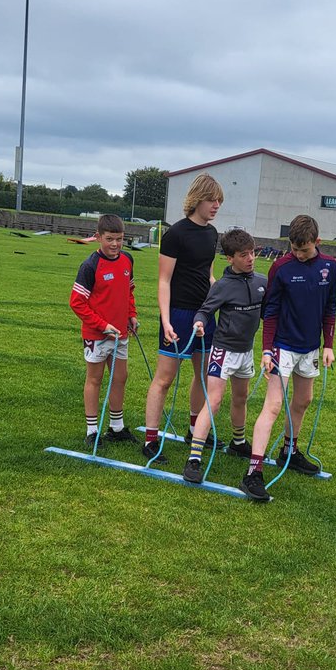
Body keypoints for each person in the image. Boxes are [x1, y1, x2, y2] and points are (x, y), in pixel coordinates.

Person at [240, 214, 336, 502]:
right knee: (273, 405)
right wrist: (267, 349)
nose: (298, 254)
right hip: (282, 346)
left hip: (310, 349)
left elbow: (330, 306)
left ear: (317, 243)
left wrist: (328, 345)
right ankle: (253, 472)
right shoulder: (280, 268)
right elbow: (269, 312)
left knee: (303, 400)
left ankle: (289, 451)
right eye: (294, 249)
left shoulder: (330, 267)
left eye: (304, 250)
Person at [142, 172, 223, 463]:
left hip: (205, 315)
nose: (216, 206)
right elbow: (164, 281)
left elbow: (209, 274)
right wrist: (166, 320)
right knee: (164, 379)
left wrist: (223, 297)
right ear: (198, 199)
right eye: (212, 200)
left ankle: (194, 429)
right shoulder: (175, 234)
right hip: (178, 313)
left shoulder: (213, 233)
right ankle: (151, 439)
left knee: (204, 376)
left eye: (219, 201)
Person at [182, 229, 267, 483]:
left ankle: (238, 442)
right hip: (223, 351)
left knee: (241, 397)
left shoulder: (262, 281)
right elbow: (205, 311)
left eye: (252, 252)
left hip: (246, 352)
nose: (251, 258)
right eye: (244, 255)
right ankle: (194, 459)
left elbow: (269, 313)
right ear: (230, 258)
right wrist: (198, 323)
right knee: (215, 401)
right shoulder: (222, 286)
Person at [69, 214, 139, 447]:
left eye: (119, 239)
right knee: (95, 379)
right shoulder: (90, 266)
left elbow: (128, 292)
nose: (115, 244)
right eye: (109, 239)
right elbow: (77, 302)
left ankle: (116, 428)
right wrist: (102, 326)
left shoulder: (127, 259)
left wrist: (132, 315)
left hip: (121, 334)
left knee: (120, 378)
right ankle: (92, 431)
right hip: (97, 335)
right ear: (97, 237)